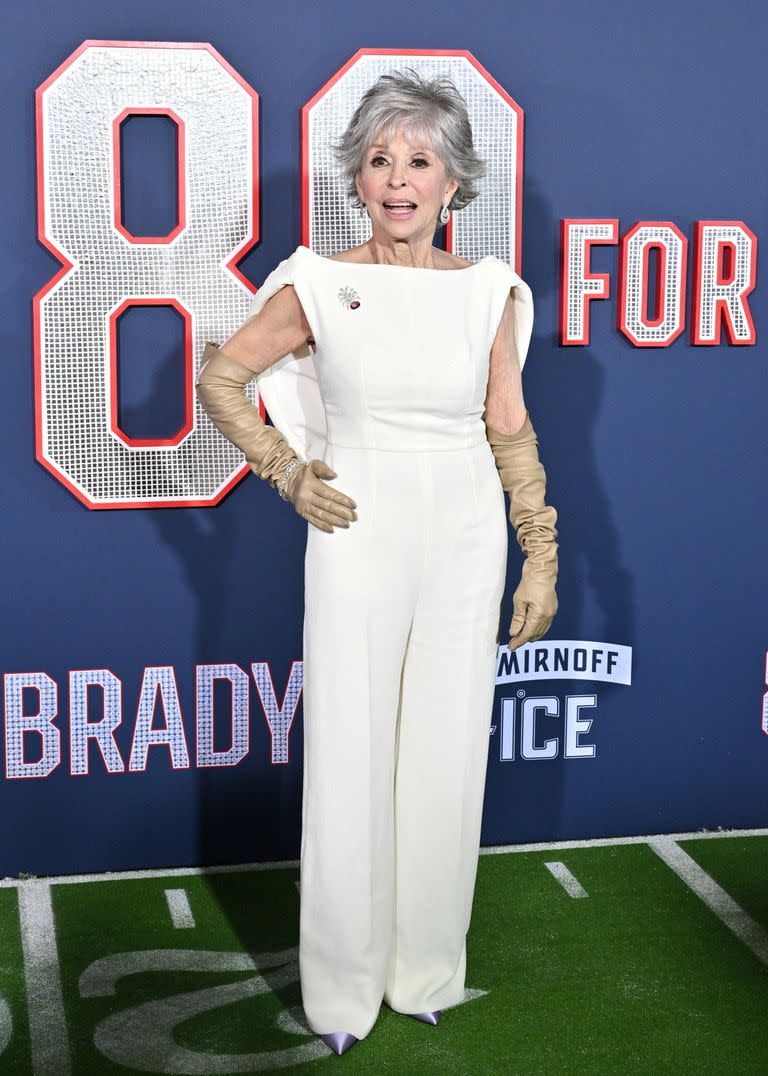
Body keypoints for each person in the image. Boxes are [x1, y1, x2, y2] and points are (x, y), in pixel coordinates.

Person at [196, 67, 558, 1056]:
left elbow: (510, 425)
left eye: (421, 160)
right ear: (358, 177)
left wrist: (540, 556)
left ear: (454, 181)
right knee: (352, 755)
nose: (399, 178)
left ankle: (427, 968)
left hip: (468, 533)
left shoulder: (489, 289)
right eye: (381, 159)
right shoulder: (319, 278)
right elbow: (223, 375)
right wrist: (285, 469)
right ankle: (344, 992)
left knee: (446, 759)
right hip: (356, 527)